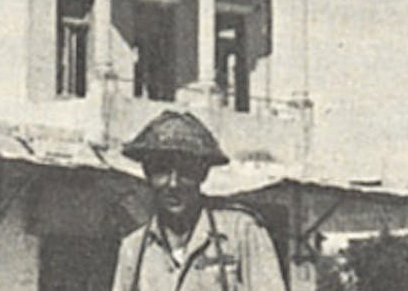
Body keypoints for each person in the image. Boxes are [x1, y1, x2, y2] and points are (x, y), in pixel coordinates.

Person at [111, 110, 288, 291]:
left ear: (202, 174)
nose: (173, 184)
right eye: (161, 170)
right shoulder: (134, 249)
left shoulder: (241, 233)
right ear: (147, 175)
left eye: (186, 171)